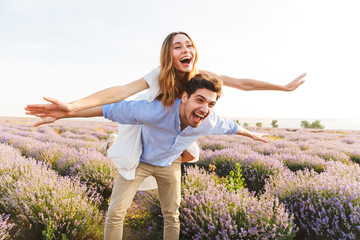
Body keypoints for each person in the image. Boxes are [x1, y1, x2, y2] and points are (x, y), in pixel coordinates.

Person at [25, 31, 306, 189]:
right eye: (177, 46)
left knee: (185, 153)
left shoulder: (202, 75)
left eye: (189, 45)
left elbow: (243, 83)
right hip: (145, 120)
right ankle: (115, 141)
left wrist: (283, 87)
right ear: (169, 54)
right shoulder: (160, 74)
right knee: (128, 154)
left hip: (179, 128)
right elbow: (121, 93)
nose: (186, 49)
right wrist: (72, 107)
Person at [54, 73, 268, 240]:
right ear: (184, 97)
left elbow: (234, 127)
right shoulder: (156, 111)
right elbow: (109, 108)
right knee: (116, 213)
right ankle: (114, 141)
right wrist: (67, 111)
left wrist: (253, 135)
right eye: (200, 100)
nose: (204, 109)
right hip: (141, 161)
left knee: (172, 216)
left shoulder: (210, 120)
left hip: (170, 163)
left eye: (211, 104)